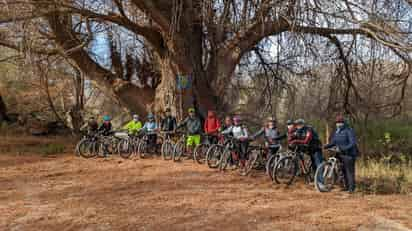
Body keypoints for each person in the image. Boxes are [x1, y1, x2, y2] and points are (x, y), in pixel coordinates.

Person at [324, 115, 358, 193]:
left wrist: (343, 148)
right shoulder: (337, 132)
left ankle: (351, 189)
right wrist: (326, 146)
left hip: (349, 155)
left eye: (340, 122)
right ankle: (346, 187)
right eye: (337, 122)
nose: (338, 124)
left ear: (344, 123)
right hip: (340, 154)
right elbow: (333, 142)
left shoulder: (349, 131)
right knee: (343, 171)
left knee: (349, 172)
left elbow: (352, 143)